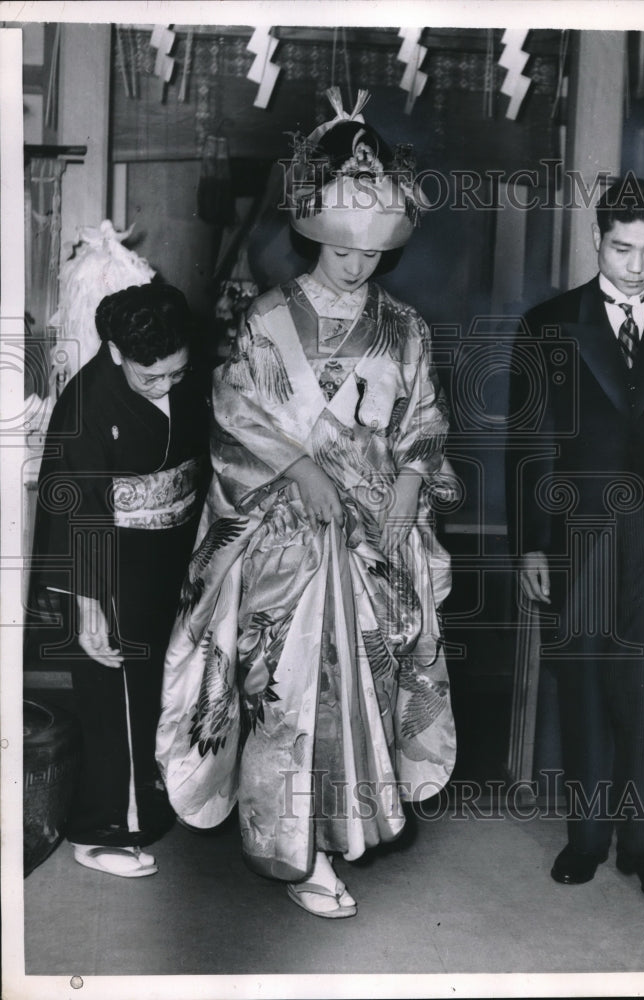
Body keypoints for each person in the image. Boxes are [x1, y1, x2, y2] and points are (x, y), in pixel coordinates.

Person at [156, 88, 456, 918]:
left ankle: (342, 830)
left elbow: (425, 421)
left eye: (370, 253)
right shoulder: (264, 320)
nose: (356, 266)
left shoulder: (406, 329)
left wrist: (405, 481)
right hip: (287, 540)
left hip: (370, 541)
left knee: (363, 689)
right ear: (310, 231)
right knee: (289, 695)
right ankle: (300, 849)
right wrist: (297, 467)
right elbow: (234, 412)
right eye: (339, 248)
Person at [507, 176, 644, 902]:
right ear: (596, 239)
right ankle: (585, 837)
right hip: (581, 529)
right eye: (621, 248)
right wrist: (532, 543)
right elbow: (532, 441)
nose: (636, 266)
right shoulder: (549, 325)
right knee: (586, 681)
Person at [29, 282, 211, 877]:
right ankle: (102, 829)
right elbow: (75, 508)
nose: (165, 386)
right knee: (116, 692)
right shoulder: (85, 403)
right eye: (149, 377)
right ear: (116, 352)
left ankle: (159, 799)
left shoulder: (181, 377)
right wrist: (88, 609)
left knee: (166, 678)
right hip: (106, 562)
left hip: (169, 549)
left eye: (175, 373)